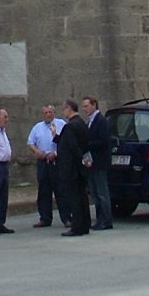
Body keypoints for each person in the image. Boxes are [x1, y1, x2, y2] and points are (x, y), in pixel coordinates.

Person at [54, 99, 91, 236]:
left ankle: (77, 227)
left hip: (72, 169)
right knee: (82, 197)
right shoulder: (81, 123)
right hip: (80, 168)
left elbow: (73, 147)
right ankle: (85, 224)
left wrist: (79, 160)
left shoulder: (70, 126)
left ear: (69, 109)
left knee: (74, 198)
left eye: (64, 109)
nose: (63, 112)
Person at [26, 103, 62, 226]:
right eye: (45, 113)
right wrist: (36, 151)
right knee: (44, 191)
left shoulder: (61, 124)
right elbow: (30, 142)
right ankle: (45, 218)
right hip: (43, 161)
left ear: (54, 113)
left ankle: (66, 217)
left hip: (57, 161)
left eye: (50, 112)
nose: (48, 115)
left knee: (60, 190)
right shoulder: (37, 127)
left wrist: (56, 153)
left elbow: (66, 142)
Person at [81, 95, 113, 229]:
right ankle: (100, 219)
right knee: (94, 192)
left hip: (99, 162)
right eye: (83, 106)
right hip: (91, 162)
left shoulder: (101, 121)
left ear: (94, 105)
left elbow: (104, 141)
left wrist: (87, 144)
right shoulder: (90, 121)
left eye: (86, 106)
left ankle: (106, 220)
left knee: (102, 192)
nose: (84, 109)